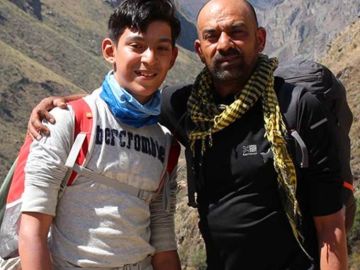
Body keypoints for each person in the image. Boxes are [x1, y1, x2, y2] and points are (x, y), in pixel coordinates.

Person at [27, 0, 348, 269]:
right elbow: (131, 100)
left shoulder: (296, 107)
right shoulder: (184, 106)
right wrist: (67, 104)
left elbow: (330, 228)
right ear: (199, 48)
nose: (224, 44)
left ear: (260, 39)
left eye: (237, 32)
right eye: (212, 35)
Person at [18, 0, 181, 269]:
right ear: (110, 50)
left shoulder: (166, 144)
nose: (150, 58)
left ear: (173, 57)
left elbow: (163, 244)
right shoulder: (67, 122)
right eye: (137, 46)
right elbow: (32, 231)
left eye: (161, 48)